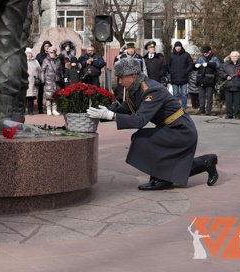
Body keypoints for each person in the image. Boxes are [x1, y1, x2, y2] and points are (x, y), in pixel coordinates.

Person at [86, 57, 219, 190]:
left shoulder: (151, 90)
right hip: (171, 128)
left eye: (121, 78)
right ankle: (205, 162)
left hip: (181, 131)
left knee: (142, 140)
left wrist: (110, 115)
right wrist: (96, 115)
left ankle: (163, 179)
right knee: (160, 157)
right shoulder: (135, 88)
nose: (119, 82)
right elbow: (124, 111)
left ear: (133, 75)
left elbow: (140, 120)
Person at [219, 51, 240, 119]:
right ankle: (229, 114)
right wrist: (226, 76)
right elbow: (221, 72)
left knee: (237, 102)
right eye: (232, 56)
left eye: (235, 56)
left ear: (238, 57)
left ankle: (237, 115)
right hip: (228, 85)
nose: (233, 58)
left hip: (239, 85)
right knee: (228, 102)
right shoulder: (225, 64)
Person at [194, 45, 221, 116]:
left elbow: (218, 65)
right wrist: (195, 65)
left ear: (210, 51)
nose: (204, 54)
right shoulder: (200, 58)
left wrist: (209, 64)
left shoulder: (214, 58)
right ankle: (201, 109)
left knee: (209, 96)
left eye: (206, 52)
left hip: (210, 80)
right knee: (201, 96)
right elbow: (194, 66)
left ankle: (208, 110)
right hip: (201, 80)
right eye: (203, 52)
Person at [168, 41, 194, 112]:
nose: (178, 48)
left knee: (184, 94)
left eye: (179, 46)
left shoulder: (186, 55)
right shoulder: (171, 55)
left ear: (181, 47)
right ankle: (176, 109)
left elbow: (191, 64)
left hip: (184, 78)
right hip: (174, 78)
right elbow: (168, 65)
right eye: (177, 46)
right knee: (175, 94)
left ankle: (184, 108)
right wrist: (171, 72)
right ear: (175, 47)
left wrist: (186, 71)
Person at [39, 46, 63, 115]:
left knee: (55, 95)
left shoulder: (58, 60)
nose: (53, 53)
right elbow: (42, 70)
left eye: (54, 52)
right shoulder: (46, 60)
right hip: (48, 80)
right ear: (49, 53)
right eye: (51, 52)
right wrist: (43, 80)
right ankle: (48, 109)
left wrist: (61, 77)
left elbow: (61, 70)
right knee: (48, 96)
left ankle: (54, 110)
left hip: (56, 80)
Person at [35, 41, 52, 113]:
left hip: (50, 76)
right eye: (45, 46)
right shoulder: (39, 56)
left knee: (51, 92)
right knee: (40, 93)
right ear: (43, 47)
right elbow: (37, 66)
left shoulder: (52, 54)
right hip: (42, 76)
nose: (47, 47)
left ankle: (50, 108)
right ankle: (40, 108)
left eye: (48, 46)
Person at [25, 47, 41, 115]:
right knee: (24, 97)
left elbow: (39, 70)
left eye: (29, 53)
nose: (28, 54)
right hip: (25, 81)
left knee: (31, 97)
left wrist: (38, 78)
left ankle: (30, 111)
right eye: (27, 53)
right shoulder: (23, 60)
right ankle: (22, 111)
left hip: (33, 81)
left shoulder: (35, 61)